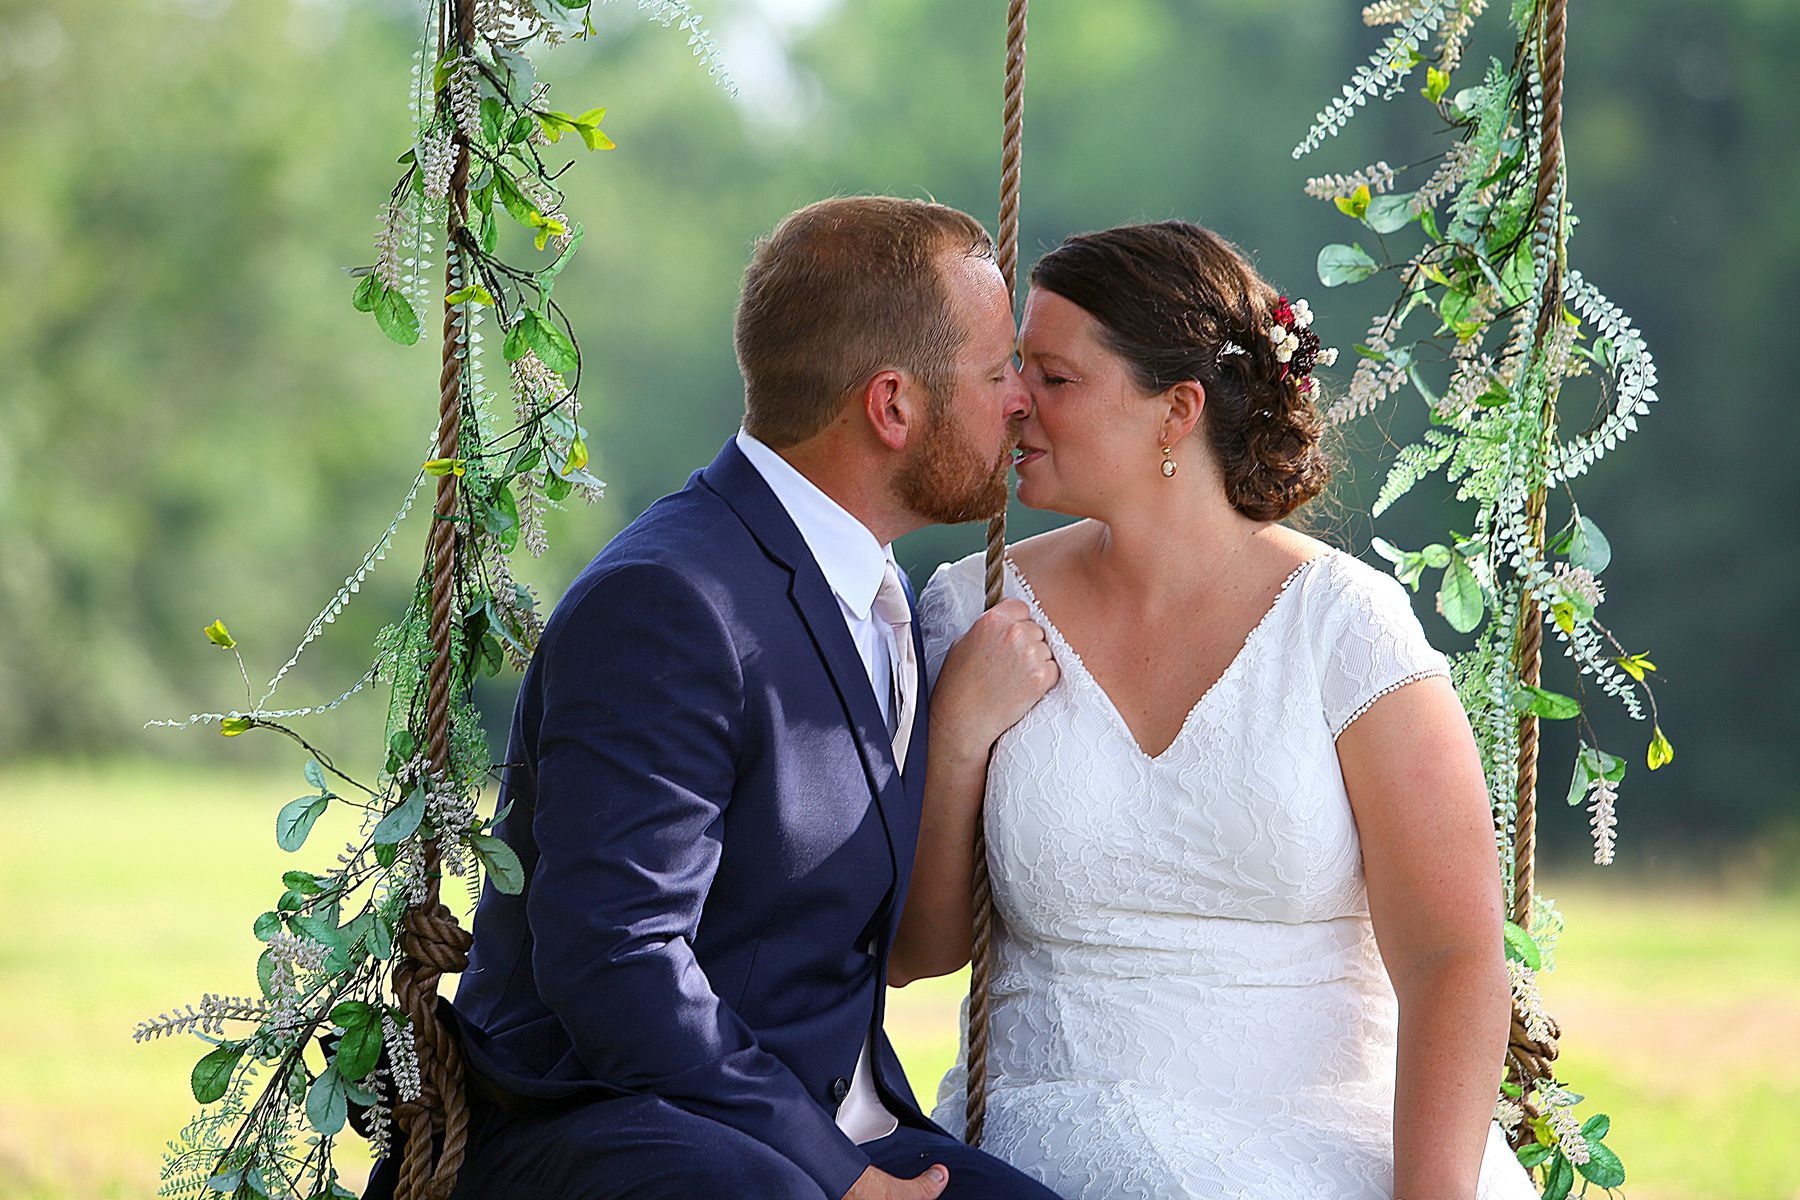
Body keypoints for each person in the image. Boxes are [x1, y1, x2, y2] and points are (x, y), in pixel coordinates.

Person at [363, 196, 1062, 1200]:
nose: (1019, 403)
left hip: (824, 1129)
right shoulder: (671, 602)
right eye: (998, 374)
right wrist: (842, 1180)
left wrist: (953, 741)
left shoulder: (885, 598)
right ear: (893, 405)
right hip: (616, 1129)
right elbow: (618, 958)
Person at [896, 220, 1541, 1199]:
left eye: (1056, 378)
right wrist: (956, 742)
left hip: (1324, 1153)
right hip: (1048, 1153)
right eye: (1017, 372)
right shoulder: (969, 606)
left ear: (1176, 410)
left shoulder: (1345, 626)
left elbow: (1455, 956)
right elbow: (921, 951)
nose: (1015, 403)